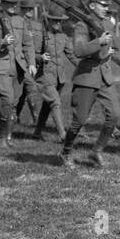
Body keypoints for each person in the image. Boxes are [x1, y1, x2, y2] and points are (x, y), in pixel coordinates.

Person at [60, 0, 120, 168]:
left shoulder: (108, 24)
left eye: (107, 5)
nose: (107, 8)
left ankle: (96, 151)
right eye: (103, 5)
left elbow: (112, 49)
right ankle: (65, 151)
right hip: (87, 77)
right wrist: (98, 41)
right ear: (92, 6)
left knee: (114, 114)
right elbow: (79, 50)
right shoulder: (81, 26)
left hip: (105, 76)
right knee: (80, 120)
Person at [0, 0, 35, 149]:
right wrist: (2, 42)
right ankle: (0, 136)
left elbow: (28, 44)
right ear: (3, 4)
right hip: (0, 66)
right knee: (8, 100)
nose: (14, 6)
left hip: (18, 68)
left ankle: (8, 137)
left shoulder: (21, 21)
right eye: (10, 3)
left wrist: (31, 63)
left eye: (15, 3)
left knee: (12, 104)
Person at [33, 8, 74, 141]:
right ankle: (63, 135)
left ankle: (37, 132)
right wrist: (40, 57)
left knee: (48, 104)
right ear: (49, 21)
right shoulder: (41, 36)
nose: (58, 24)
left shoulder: (63, 36)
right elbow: (30, 54)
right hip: (44, 76)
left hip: (59, 77)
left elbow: (72, 55)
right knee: (55, 102)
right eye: (55, 21)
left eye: (60, 21)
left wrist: (83, 65)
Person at [14, 0, 45, 127]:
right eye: (26, 9)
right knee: (31, 90)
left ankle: (14, 116)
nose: (29, 11)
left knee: (23, 93)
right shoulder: (19, 24)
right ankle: (37, 121)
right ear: (22, 10)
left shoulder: (38, 26)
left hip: (35, 64)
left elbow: (43, 44)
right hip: (22, 63)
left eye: (31, 9)